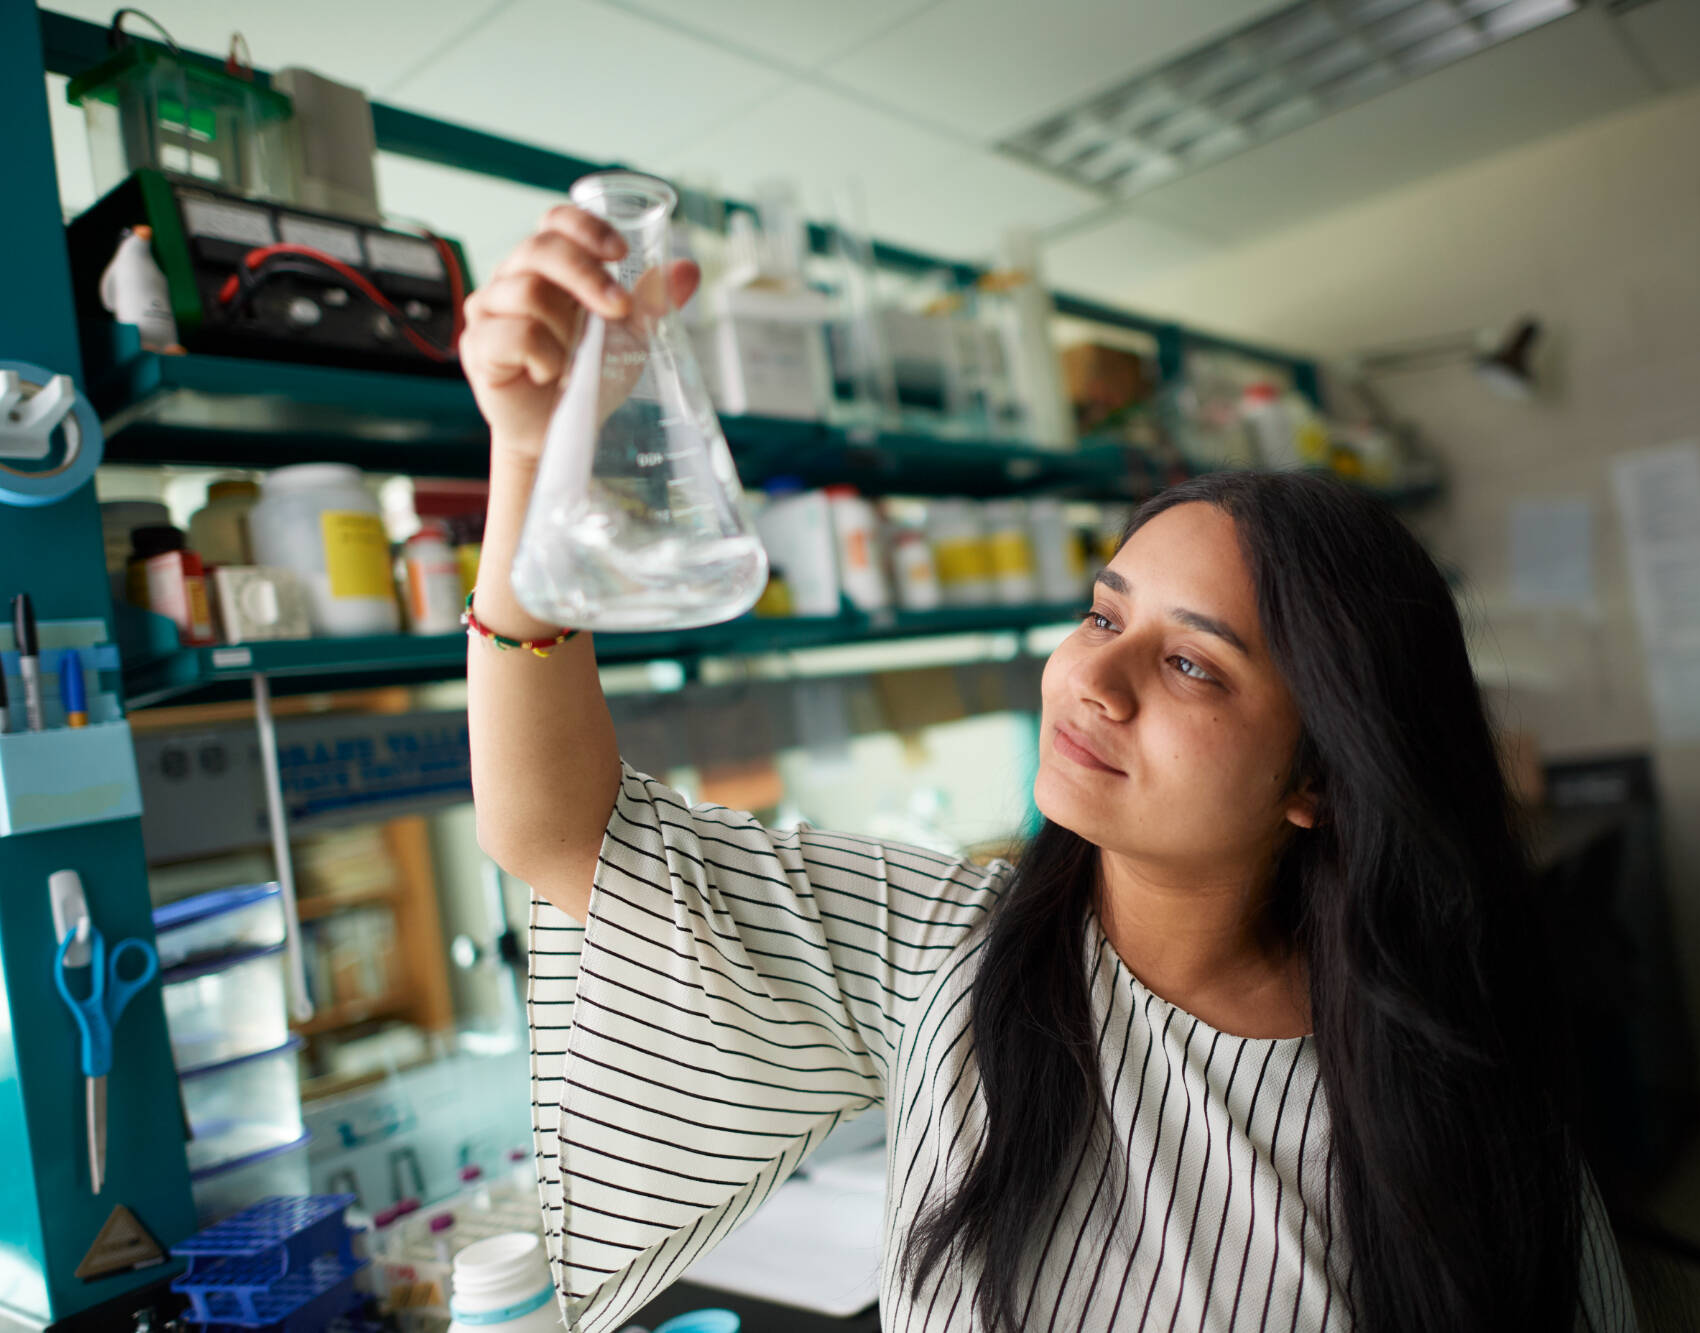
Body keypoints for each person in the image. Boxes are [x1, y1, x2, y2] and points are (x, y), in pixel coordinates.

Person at [463, 207, 1640, 1333]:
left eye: (1188, 664)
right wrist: (530, 455)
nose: (1092, 678)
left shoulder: (1460, 1120)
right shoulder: (945, 954)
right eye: (1098, 616)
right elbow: (562, 831)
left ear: (1319, 777)